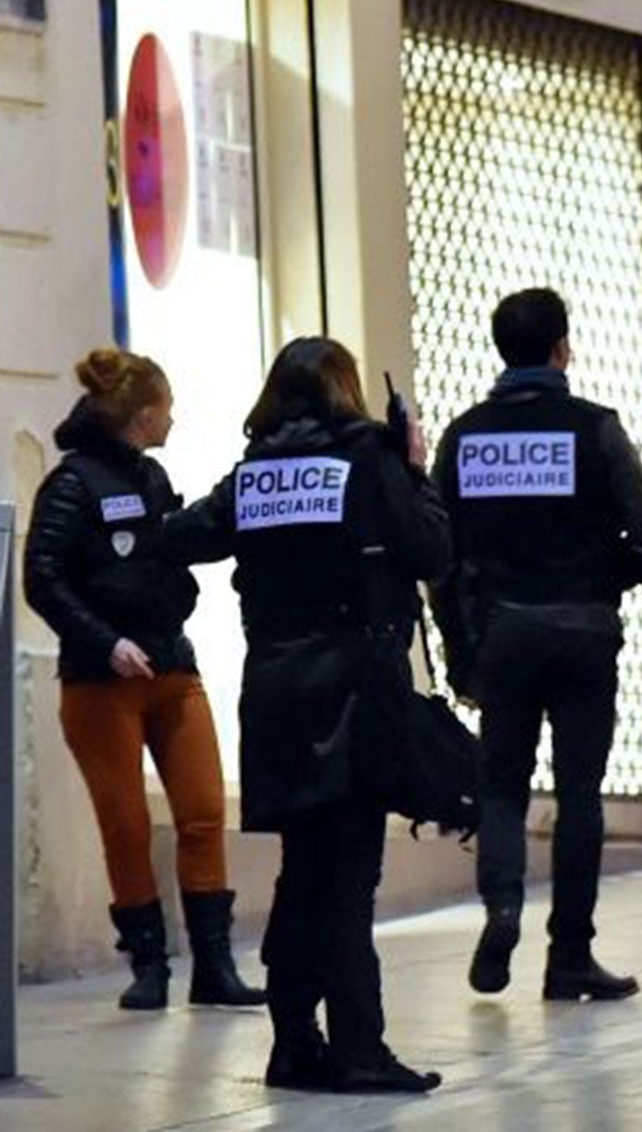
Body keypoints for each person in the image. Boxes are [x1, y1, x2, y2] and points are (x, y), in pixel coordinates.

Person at [168, 338, 452, 1094]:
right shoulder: (368, 457)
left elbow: (183, 538)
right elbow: (431, 550)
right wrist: (416, 468)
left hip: (275, 693)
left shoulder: (257, 471)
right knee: (350, 875)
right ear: (345, 390)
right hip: (356, 691)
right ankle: (361, 1049)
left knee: (304, 873)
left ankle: (294, 1041)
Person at [431, 288, 642, 1005]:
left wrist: (457, 650)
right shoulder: (594, 430)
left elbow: (440, 556)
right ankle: (570, 954)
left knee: (503, 787)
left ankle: (503, 908)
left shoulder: (463, 437)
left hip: (502, 637)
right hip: (583, 633)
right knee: (580, 796)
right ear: (562, 349)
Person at [24, 350, 265, 1013]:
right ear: (141, 415)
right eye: (167, 407)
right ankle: (149, 964)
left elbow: (170, 549)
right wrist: (107, 642)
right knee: (126, 825)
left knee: (203, 813)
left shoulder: (154, 478)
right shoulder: (71, 485)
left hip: (171, 667)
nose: (174, 418)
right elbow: (42, 578)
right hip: (101, 682)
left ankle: (213, 967)